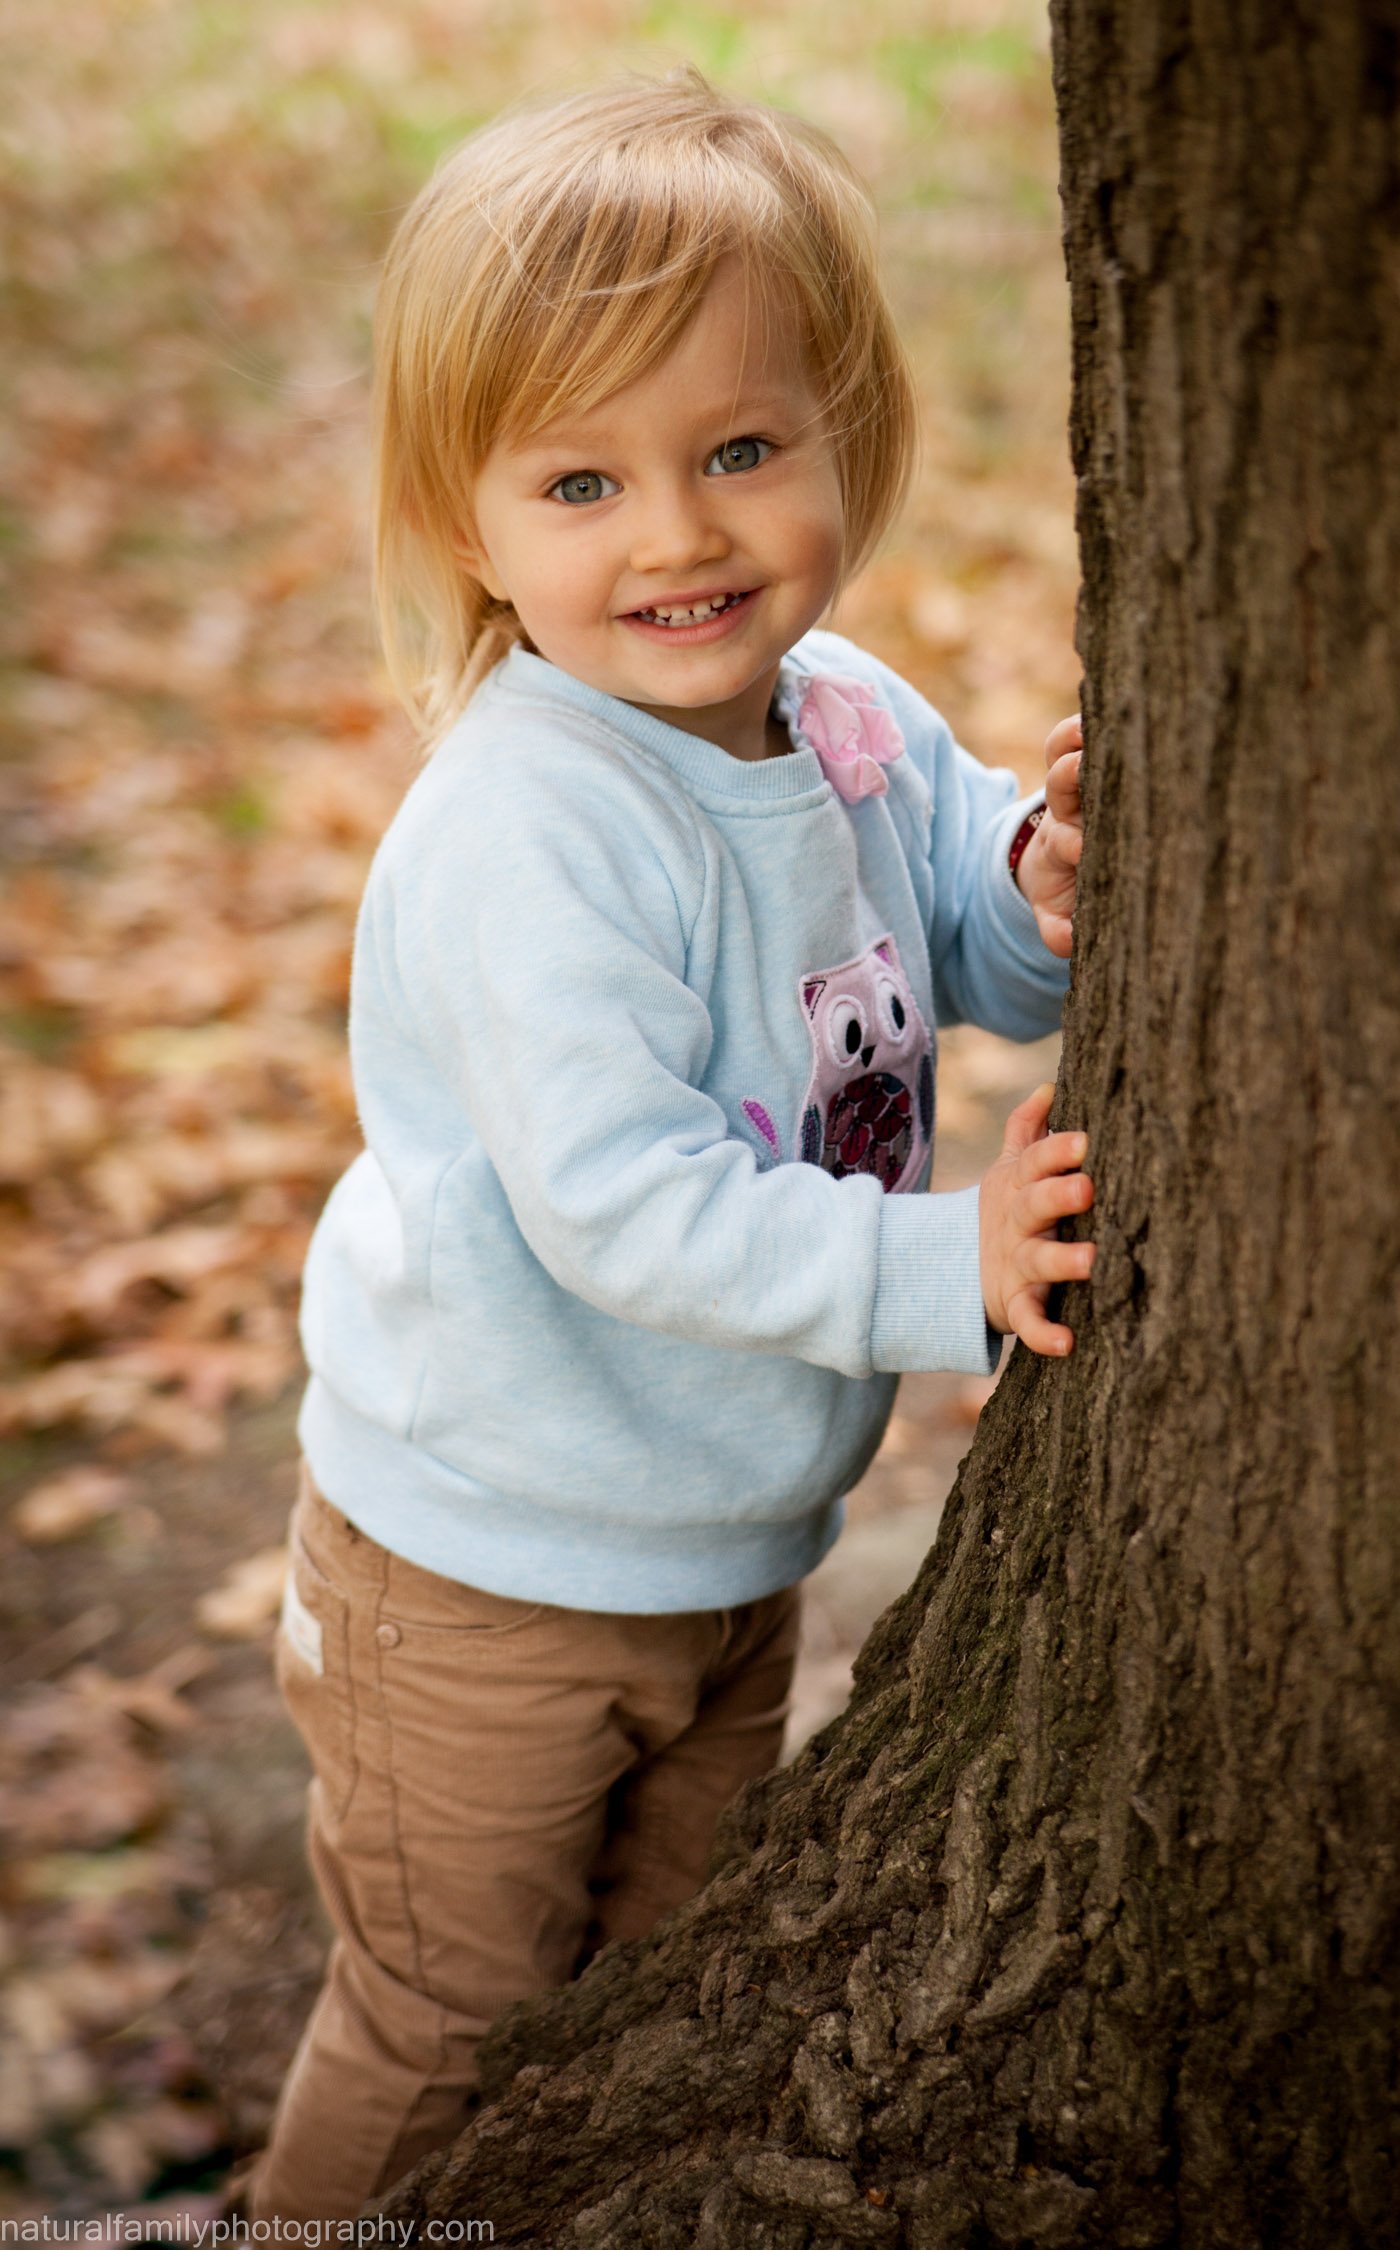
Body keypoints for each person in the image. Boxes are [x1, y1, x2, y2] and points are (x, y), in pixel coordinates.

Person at [248, 66, 1093, 2219]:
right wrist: (943, 1270)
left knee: (664, 1996)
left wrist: (1052, 882)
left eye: (739, 450)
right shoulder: (538, 826)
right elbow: (623, 1202)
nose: (680, 535)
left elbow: (959, 950)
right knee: (452, 2020)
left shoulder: (846, 718)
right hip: (481, 1569)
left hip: (725, 1541)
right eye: (583, 480)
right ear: (469, 521)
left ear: (844, 439)